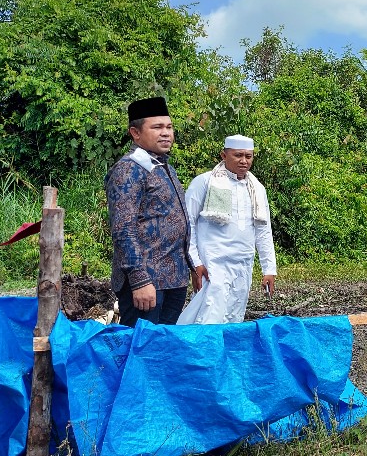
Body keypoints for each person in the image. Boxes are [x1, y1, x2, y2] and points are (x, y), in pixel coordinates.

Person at [105, 96, 202, 327]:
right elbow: (123, 229)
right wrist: (139, 280)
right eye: (157, 127)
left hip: (173, 278)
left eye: (169, 127)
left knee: (163, 348)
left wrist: (191, 265)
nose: (166, 133)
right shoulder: (129, 169)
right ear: (135, 133)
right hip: (147, 282)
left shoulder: (163, 166)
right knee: (141, 348)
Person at [177, 134, 278, 324]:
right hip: (212, 262)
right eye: (238, 155)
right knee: (208, 314)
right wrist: (195, 262)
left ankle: (223, 353)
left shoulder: (257, 189)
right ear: (224, 155)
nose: (244, 161)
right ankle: (198, 352)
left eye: (248, 156)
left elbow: (263, 230)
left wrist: (269, 269)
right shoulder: (205, 182)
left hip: (243, 263)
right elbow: (186, 224)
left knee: (234, 315)